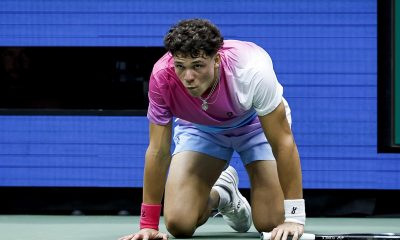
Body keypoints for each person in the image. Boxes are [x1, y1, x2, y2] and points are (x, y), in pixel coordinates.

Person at [119, 18, 305, 240]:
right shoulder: (162, 77)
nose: (188, 77)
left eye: (197, 65)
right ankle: (223, 195)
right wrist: (148, 224)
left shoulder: (251, 70)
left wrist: (294, 218)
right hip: (201, 130)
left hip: (255, 127)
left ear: (216, 59)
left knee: (271, 223)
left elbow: (282, 142)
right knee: (179, 223)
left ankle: (242, 199)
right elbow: (158, 151)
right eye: (180, 66)